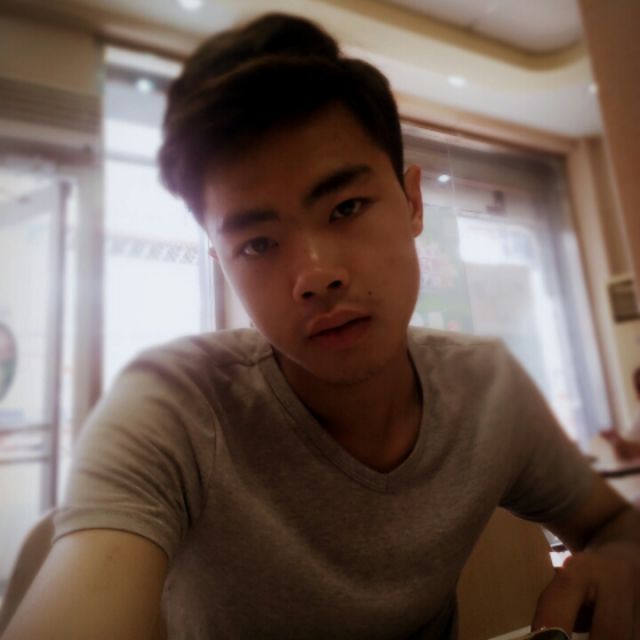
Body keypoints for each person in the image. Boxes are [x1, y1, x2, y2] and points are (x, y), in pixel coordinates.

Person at [3, 13, 639, 640]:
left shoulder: (487, 389)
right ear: (221, 263)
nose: (315, 275)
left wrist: (615, 556)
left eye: (346, 207)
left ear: (413, 202)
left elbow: (614, 525)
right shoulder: (175, 407)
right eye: (257, 244)